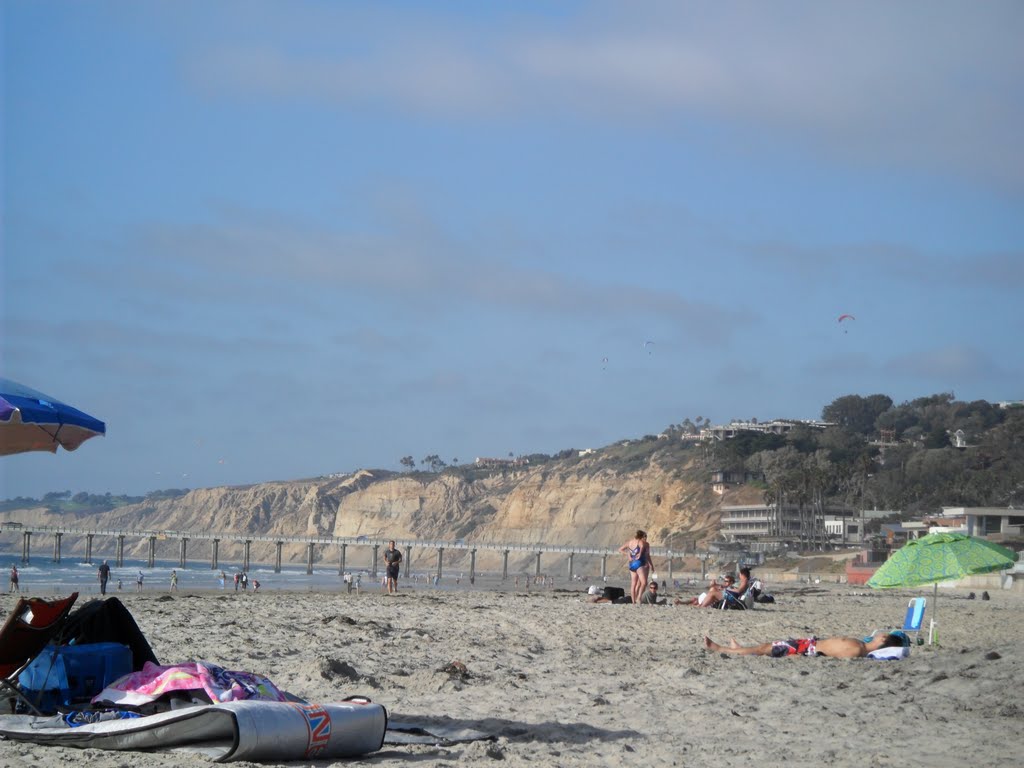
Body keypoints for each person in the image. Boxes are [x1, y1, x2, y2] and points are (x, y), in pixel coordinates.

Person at [703, 632, 907, 659]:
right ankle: (741, 649)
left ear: (883, 641)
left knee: (766, 648)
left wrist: (802, 654)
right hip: (808, 644)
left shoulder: (857, 650)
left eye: (883, 634)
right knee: (766, 647)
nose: (880, 633)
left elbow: (827, 655)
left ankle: (722, 649)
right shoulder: (861, 644)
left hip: (806, 649)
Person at [618, 529, 652, 606]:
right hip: (639, 563)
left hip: (631, 564)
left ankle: (633, 602)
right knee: (644, 582)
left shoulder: (629, 542)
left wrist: (627, 554)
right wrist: (640, 553)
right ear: (641, 536)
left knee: (633, 584)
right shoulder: (642, 542)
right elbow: (642, 546)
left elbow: (620, 549)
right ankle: (639, 597)